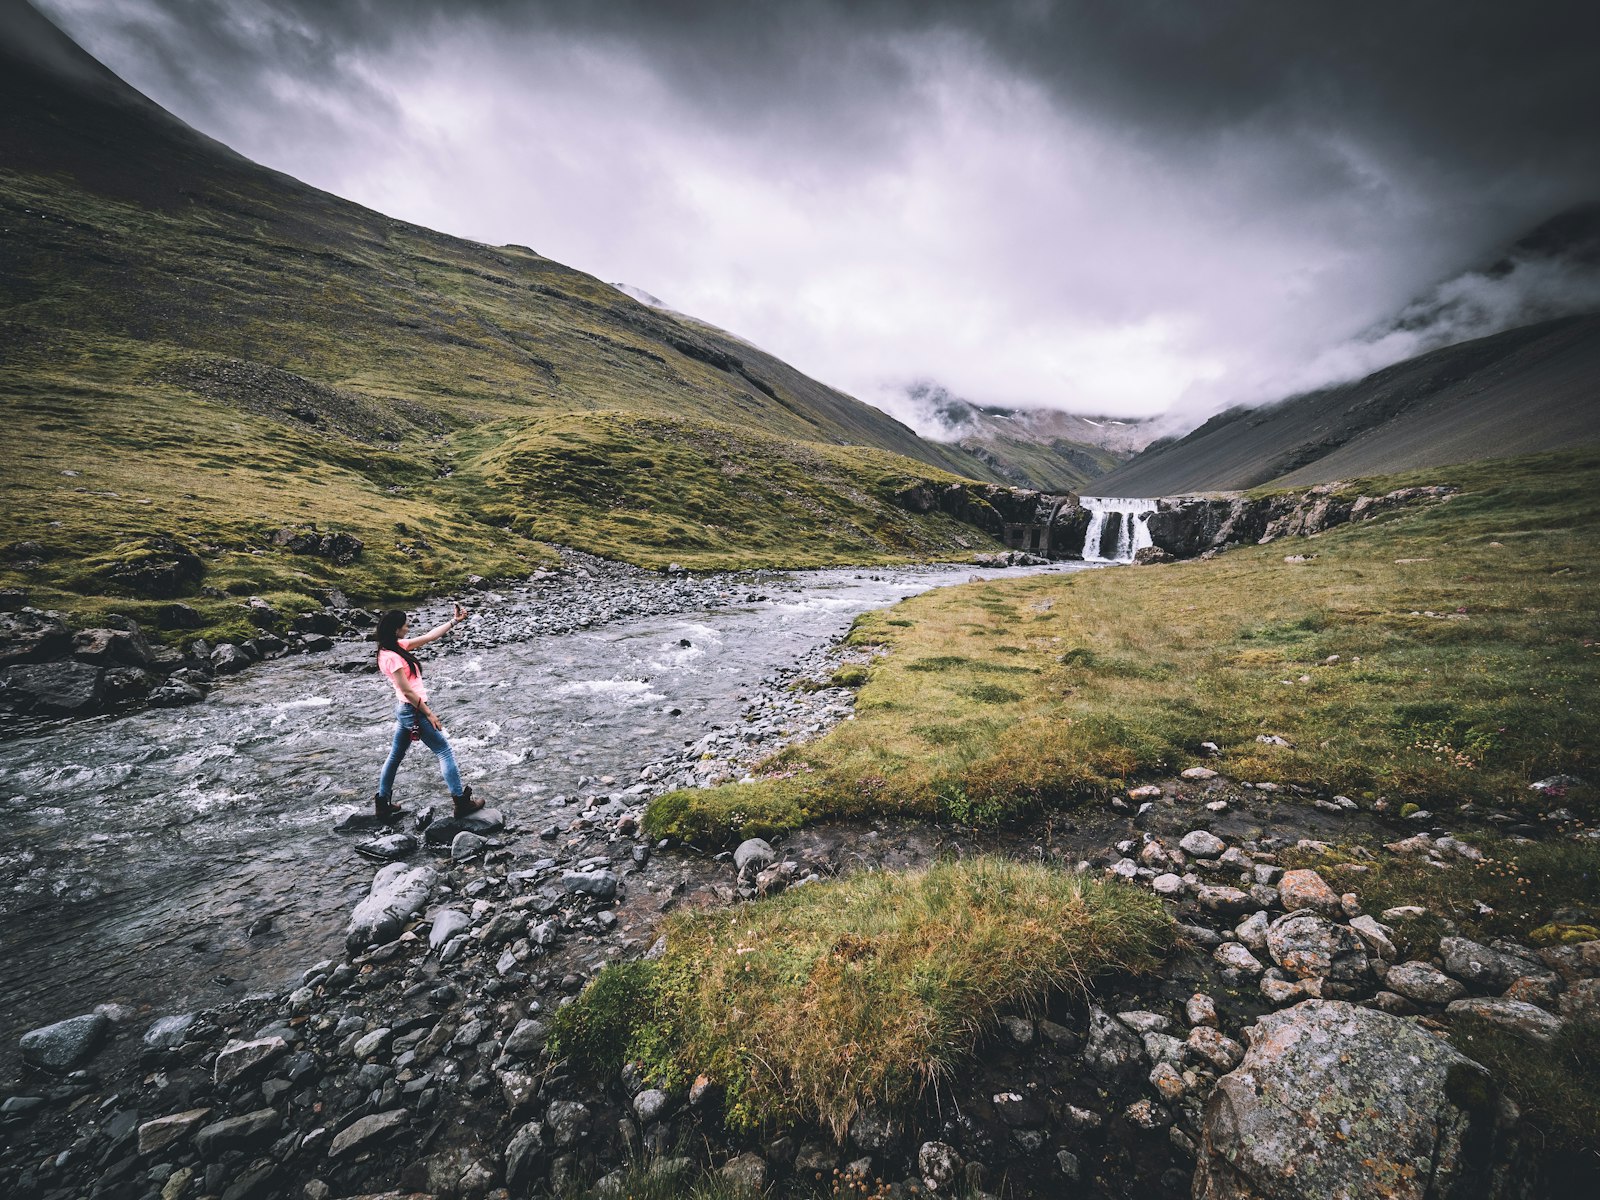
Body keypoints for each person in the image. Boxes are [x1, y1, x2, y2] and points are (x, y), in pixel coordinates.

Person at [372, 603, 483, 821]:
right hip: (413, 710)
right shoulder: (393, 656)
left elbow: (429, 637)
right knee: (444, 751)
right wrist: (429, 713)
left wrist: (454, 622)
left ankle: (382, 803)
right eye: (405, 624)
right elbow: (407, 690)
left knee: (395, 755)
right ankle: (461, 802)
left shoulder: (393, 648)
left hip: (404, 709)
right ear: (396, 628)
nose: (408, 626)